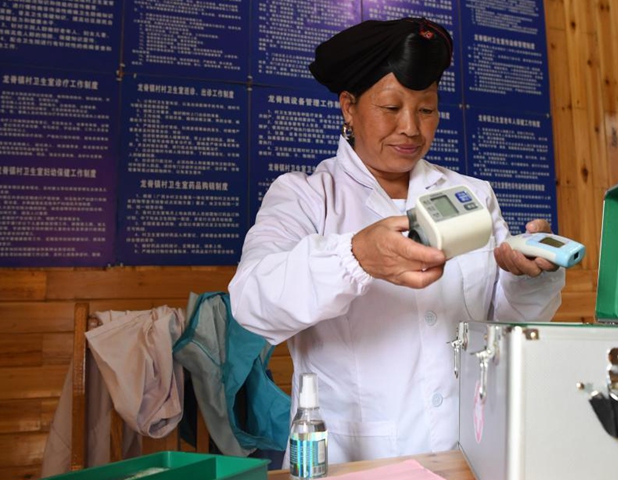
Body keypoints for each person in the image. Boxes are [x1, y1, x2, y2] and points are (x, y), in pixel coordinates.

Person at [228, 17, 565, 465]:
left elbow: (499, 325)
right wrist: (355, 258)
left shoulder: (472, 194)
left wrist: (525, 279)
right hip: (354, 458)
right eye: (391, 108)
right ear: (349, 107)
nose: (411, 127)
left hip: (469, 454)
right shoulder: (305, 196)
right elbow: (252, 301)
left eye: (426, 110)